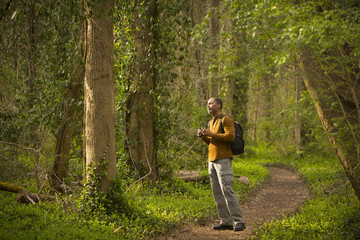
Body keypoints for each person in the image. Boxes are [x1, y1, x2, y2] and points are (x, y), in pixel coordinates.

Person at [197, 97, 246, 231]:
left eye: (210, 103)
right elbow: (212, 142)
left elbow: (231, 136)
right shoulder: (210, 122)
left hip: (223, 159)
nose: (208, 105)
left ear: (218, 105)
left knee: (227, 190)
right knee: (217, 192)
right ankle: (226, 221)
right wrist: (203, 136)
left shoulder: (225, 119)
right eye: (207, 103)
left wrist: (211, 134)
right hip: (211, 161)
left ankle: (239, 221)